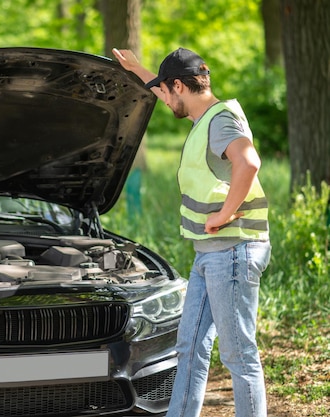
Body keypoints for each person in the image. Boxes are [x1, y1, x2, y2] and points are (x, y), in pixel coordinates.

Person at [112, 47, 271, 417]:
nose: (165, 100)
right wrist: (139, 70)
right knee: (190, 347)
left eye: (166, 92)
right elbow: (166, 91)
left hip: (231, 252)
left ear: (180, 85)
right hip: (210, 254)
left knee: (239, 355)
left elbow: (249, 162)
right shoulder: (205, 117)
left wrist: (224, 215)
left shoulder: (220, 121)